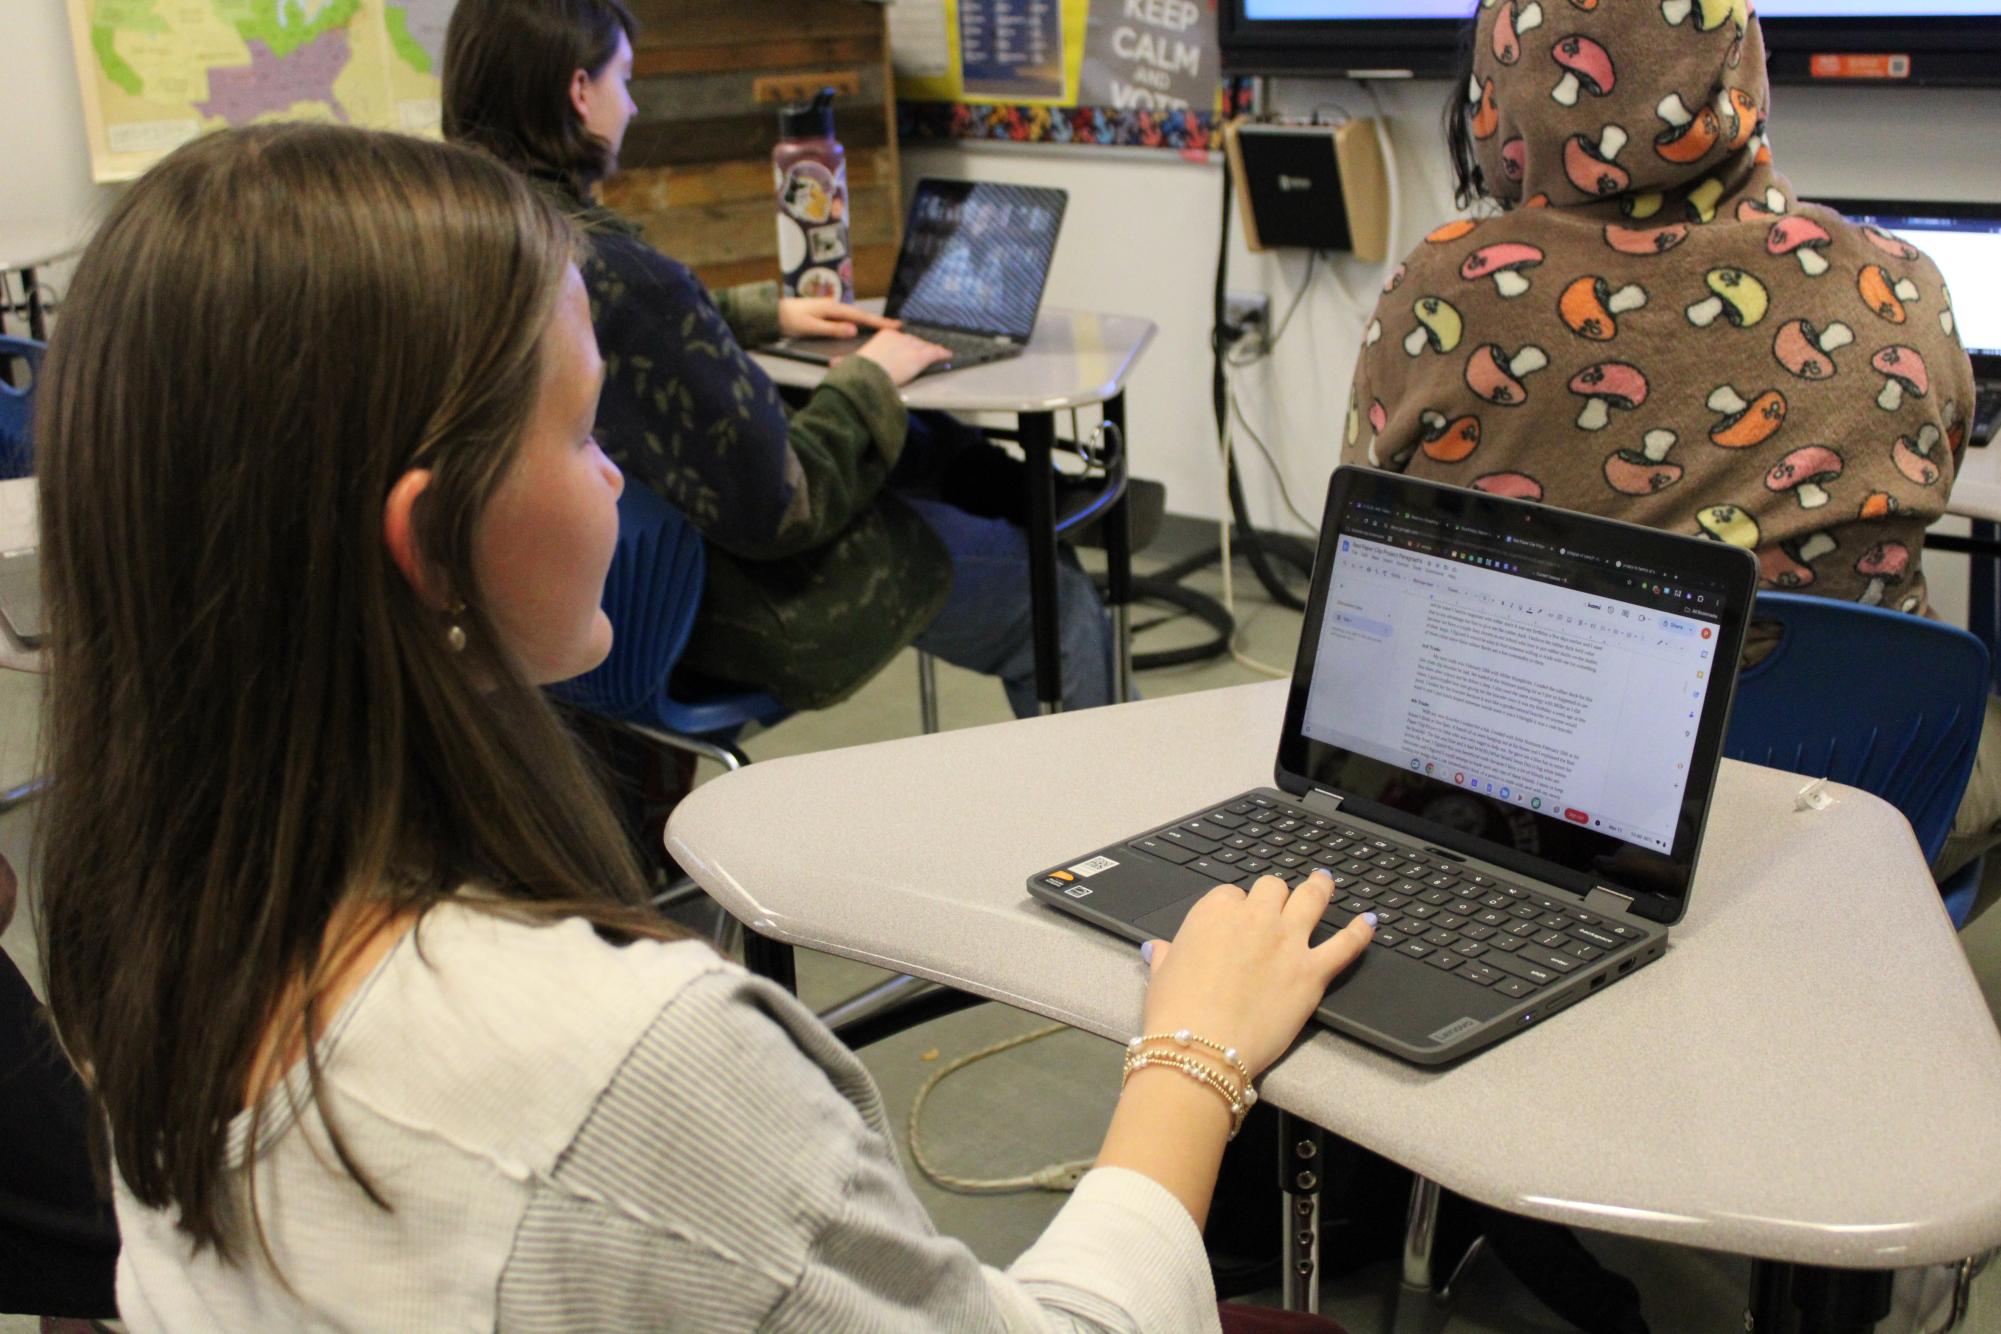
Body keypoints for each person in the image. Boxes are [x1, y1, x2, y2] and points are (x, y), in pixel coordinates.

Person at [34, 122, 1372, 1329]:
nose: (618, 472)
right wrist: (1192, 1053)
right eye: (580, 430)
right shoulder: (628, 1072)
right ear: (432, 538)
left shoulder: (131, 946)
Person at [1343, 0, 1991, 883]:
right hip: (1840, 817)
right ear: (1739, 70)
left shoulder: (1439, 291)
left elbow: (1362, 559)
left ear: (1504, 88)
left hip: (1526, 816)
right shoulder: (1900, 285)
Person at [441, 0, 1119, 720]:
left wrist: (763, 312)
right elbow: (785, 506)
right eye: (625, 81)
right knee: (1055, 590)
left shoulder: (474, 241)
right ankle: (1130, 811)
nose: (632, 106)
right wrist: (871, 376)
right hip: (720, 612)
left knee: (898, 442)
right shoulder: (633, 284)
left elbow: (621, 321)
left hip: (563, 597)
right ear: (580, 93)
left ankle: (1019, 491)